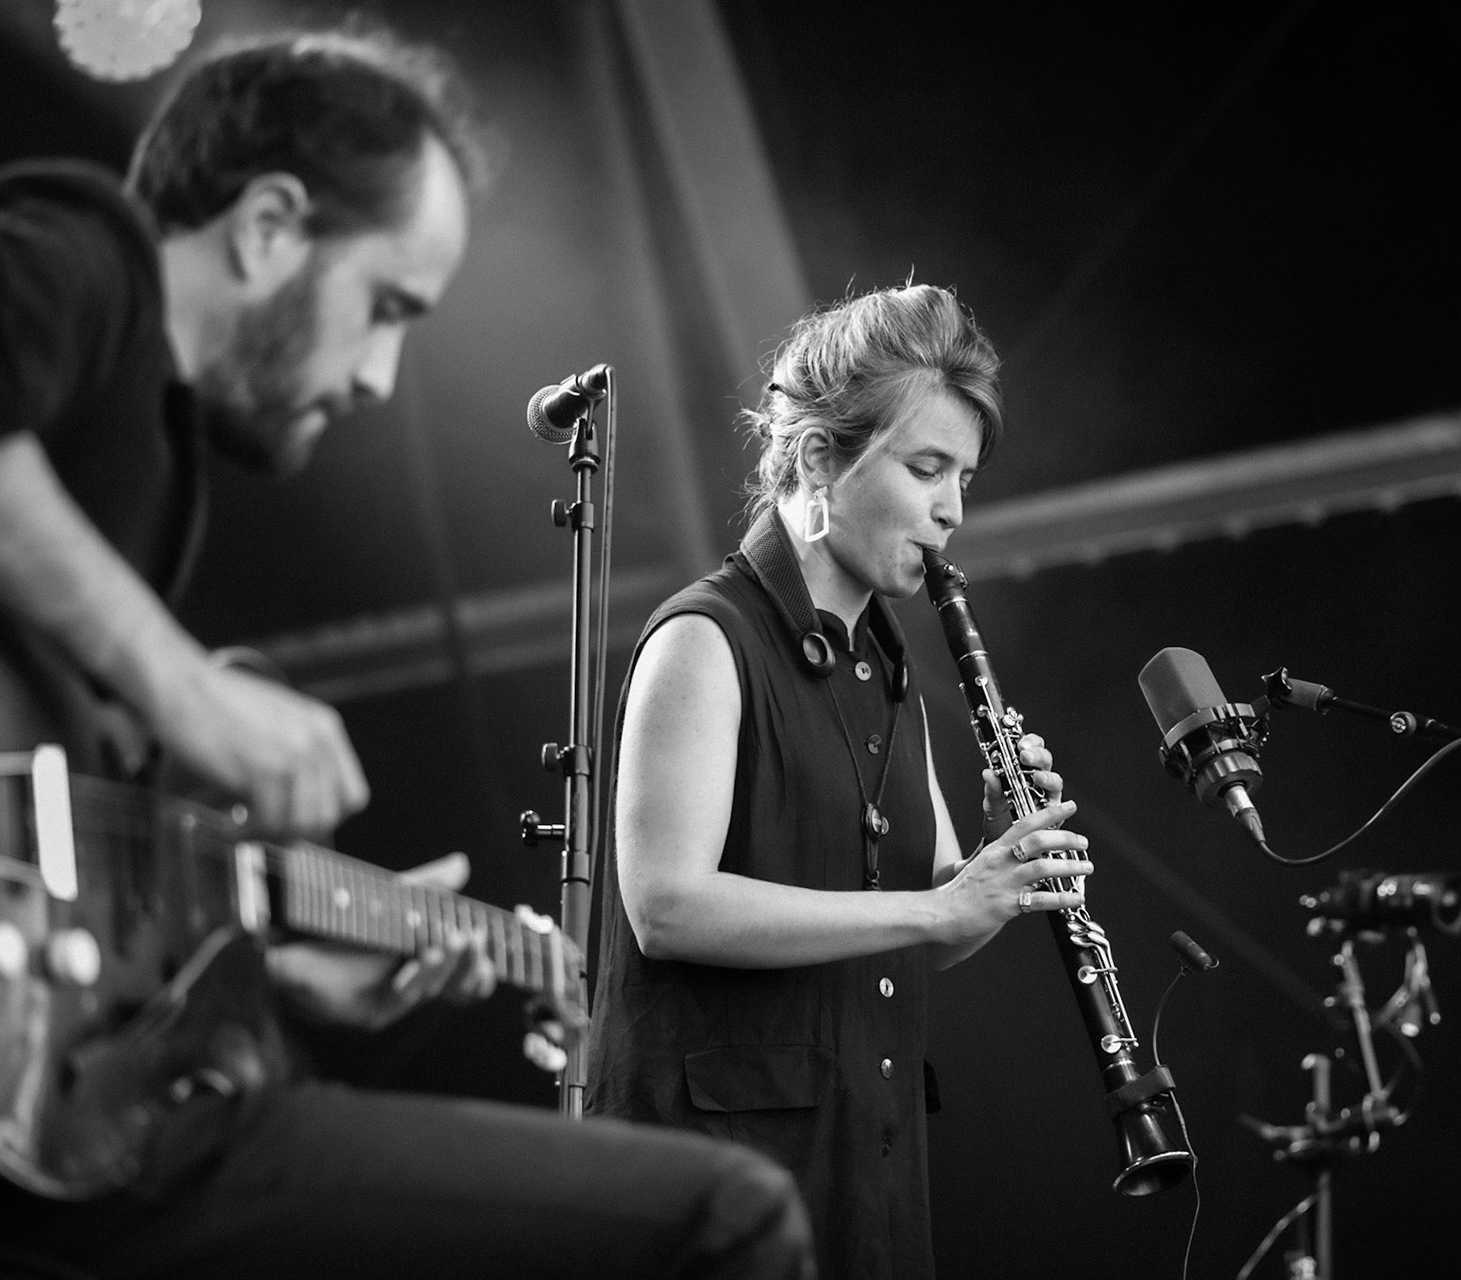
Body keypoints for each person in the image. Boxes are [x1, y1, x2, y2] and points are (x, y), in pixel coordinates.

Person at [0, 30, 811, 1279]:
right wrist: (180, 684)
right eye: (386, 305)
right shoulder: (89, 251)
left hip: (69, 1109)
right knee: (730, 1218)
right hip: (99, 1146)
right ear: (269, 224)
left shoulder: (148, 461)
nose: (381, 376)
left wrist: (268, 970)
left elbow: (85, 856)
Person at [585, 283, 1096, 1278]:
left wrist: (1000, 859)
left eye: (964, 476)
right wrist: (934, 911)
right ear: (820, 456)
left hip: (869, 1163)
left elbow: (939, 907)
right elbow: (667, 905)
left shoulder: (890, 662)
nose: (953, 508)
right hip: (716, 1187)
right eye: (927, 467)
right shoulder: (705, 636)